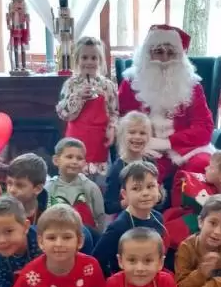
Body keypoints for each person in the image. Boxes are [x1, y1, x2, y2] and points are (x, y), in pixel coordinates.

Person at [118, 24, 214, 182]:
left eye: (171, 53)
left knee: (202, 165)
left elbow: (204, 127)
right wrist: (142, 142)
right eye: (159, 52)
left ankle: (184, 200)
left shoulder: (192, 85)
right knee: (141, 173)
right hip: (144, 147)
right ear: (148, 53)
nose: (165, 59)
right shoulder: (131, 83)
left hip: (186, 149)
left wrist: (167, 143)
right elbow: (122, 121)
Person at [6, 152, 94, 254]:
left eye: (19, 185)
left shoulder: (56, 209)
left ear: (38, 189)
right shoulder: (1, 210)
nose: (12, 190)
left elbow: (80, 234)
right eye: (9, 183)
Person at [56, 36, 118, 178]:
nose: (89, 62)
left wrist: (112, 129)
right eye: (85, 57)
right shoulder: (70, 85)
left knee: (98, 183)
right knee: (74, 179)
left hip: (99, 141)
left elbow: (114, 112)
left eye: (94, 58)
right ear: (77, 59)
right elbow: (63, 114)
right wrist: (78, 97)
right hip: (75, 140)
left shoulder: (107, 85)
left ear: (100, 60)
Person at [93, 161, 166, 276]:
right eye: (136, 188)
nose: (145, 193)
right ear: (124, 194)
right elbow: (97, 260)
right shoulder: (118, 227)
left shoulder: (158, 217)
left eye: (150, 186)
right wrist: (112, 280)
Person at [46, 138, 106, 232]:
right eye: (69, 157)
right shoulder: (48, 188)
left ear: (84, 163)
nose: (74, 162)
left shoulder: (91, 188)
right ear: (56, 160)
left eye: (79, 158)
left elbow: (100, 218)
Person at [104, 111, 153, 215]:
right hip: (126, 218)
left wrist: (157, 196)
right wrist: (127, 202)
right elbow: (108, 206)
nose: (137, 137)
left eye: (142, 133)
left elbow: (158, 195)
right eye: (132, 132)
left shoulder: (150, 162)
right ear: (122, 135)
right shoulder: (117, 169)